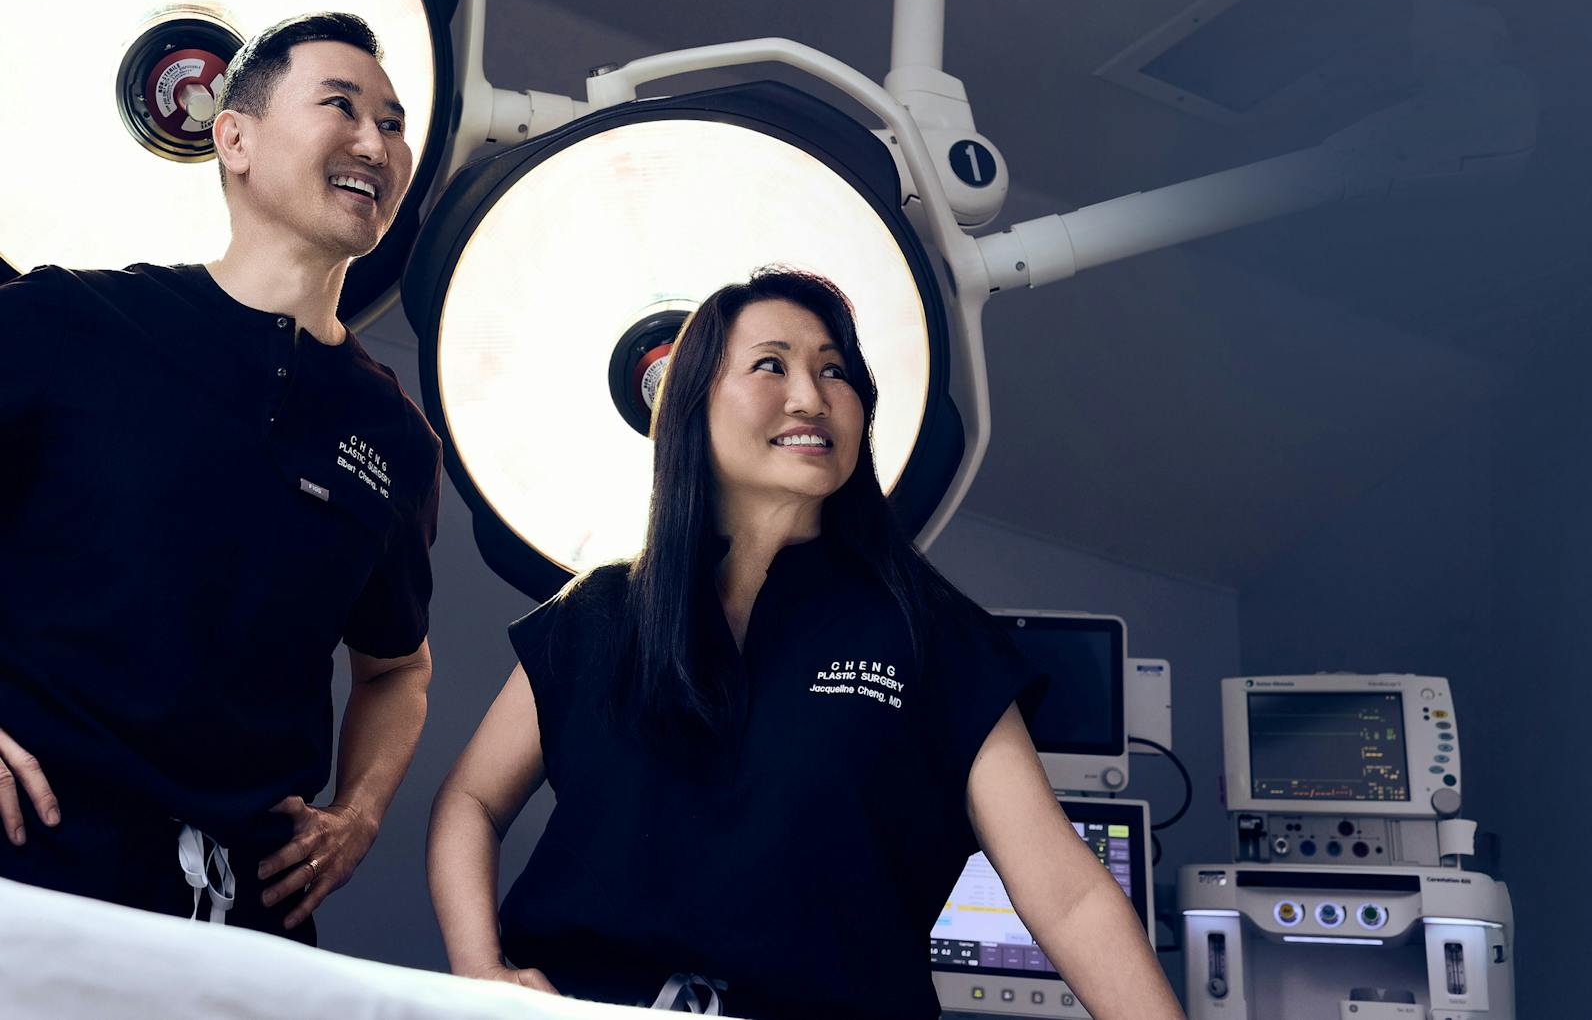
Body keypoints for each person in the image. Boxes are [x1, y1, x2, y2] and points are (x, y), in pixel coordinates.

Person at [427, 270, 1182, 1018]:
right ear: (691, 404)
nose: (811, 397)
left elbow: (1069, 894)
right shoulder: (601, 611)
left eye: (835, 371)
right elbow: (470, 799)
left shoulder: (927, 633)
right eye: (770, 364)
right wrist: (479, 967)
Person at [0, 13, 441, 942]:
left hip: (238, 932)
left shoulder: (394, 437)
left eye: (395, 124)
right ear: (232, 137)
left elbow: (398, 667)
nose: (377, 141)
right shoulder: (65, 322)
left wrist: (359, 813)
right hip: (28, 879)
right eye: (342, 106)